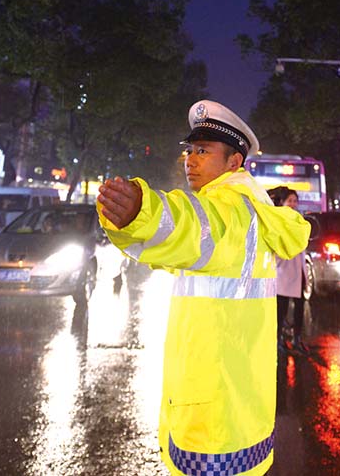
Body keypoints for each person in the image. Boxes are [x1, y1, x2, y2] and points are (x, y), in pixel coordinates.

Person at [97, 99, 310, 476]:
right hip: (236, 404)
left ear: (234, 163)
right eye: (190, 150)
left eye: (203, 151)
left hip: (214, 416)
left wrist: (142, 213)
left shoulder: (230, 210)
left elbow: (191, 228)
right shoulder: (250, 208)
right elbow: (178, 252)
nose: (190, 160)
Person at [268, 186, 309, 355]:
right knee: (281, 309)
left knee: (299, 307)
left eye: (294, 201)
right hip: (282, 270)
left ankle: (297, 338)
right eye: (289, 201)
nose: (292, 204)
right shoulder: (277, 219)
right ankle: (278, 341)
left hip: (298, 269)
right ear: (282, 203)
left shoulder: (299, 219)